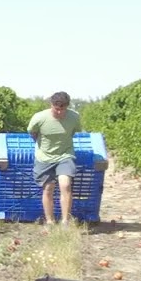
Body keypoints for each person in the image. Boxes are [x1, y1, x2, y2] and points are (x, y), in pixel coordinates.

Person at [27, 91, 84, 226]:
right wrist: (42, 146)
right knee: (49, 188)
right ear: (51, 105)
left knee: (65, 185)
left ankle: (65, 221)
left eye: (62, 109)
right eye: (56, 109)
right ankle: (50, 221)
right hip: (44, 157)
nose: (59, 112)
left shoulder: (74, 117)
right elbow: (32, 133)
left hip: (65, 155)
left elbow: (74, 132)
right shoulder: (39, 118)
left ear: (67, 107)